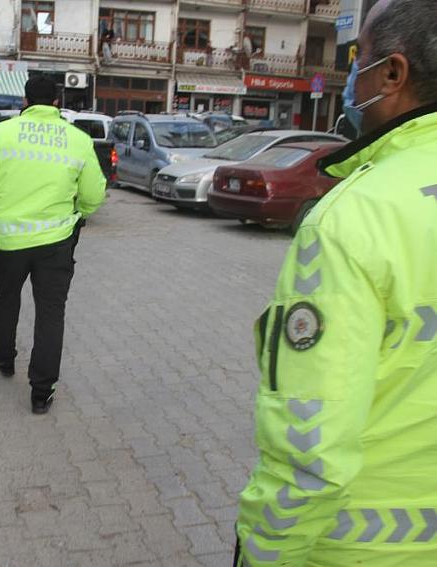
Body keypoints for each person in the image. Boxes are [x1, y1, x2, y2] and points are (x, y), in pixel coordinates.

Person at [234, 0, 437, 565]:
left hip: (363, 547)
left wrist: (264, 553)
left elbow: (310, 448)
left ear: (393, 74)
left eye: (358, 60)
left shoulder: (356, 217)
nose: (352, 77)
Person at [0, 75, 106, 414]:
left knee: (7, 299)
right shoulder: (78, 139)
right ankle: (41, 392)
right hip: (56, 243)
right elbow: (95, 194)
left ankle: (4, 360)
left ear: (25, 101)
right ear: (56, 102)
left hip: (10, 243)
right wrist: (79, 212)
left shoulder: (0, 134)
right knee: (50, 314)